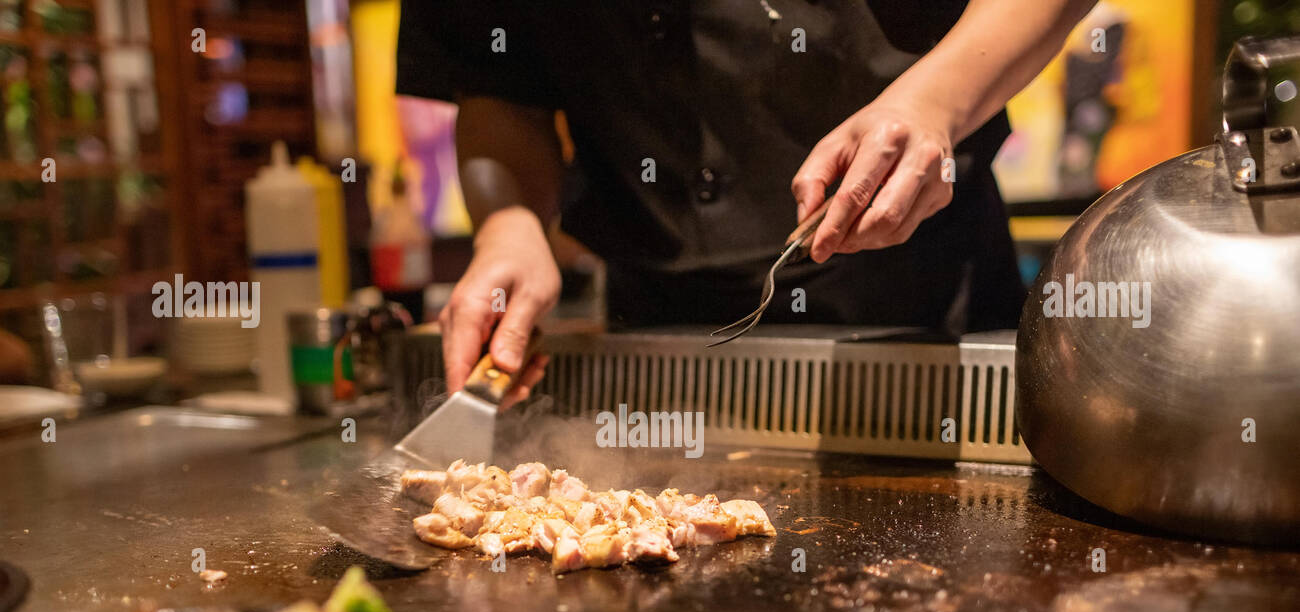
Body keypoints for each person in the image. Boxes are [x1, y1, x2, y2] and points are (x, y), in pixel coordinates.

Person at [396, 1, 1095, 400]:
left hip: (926, 311)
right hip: (649, 340)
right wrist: (510, 226)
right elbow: (493, 76)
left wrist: (936, 98)